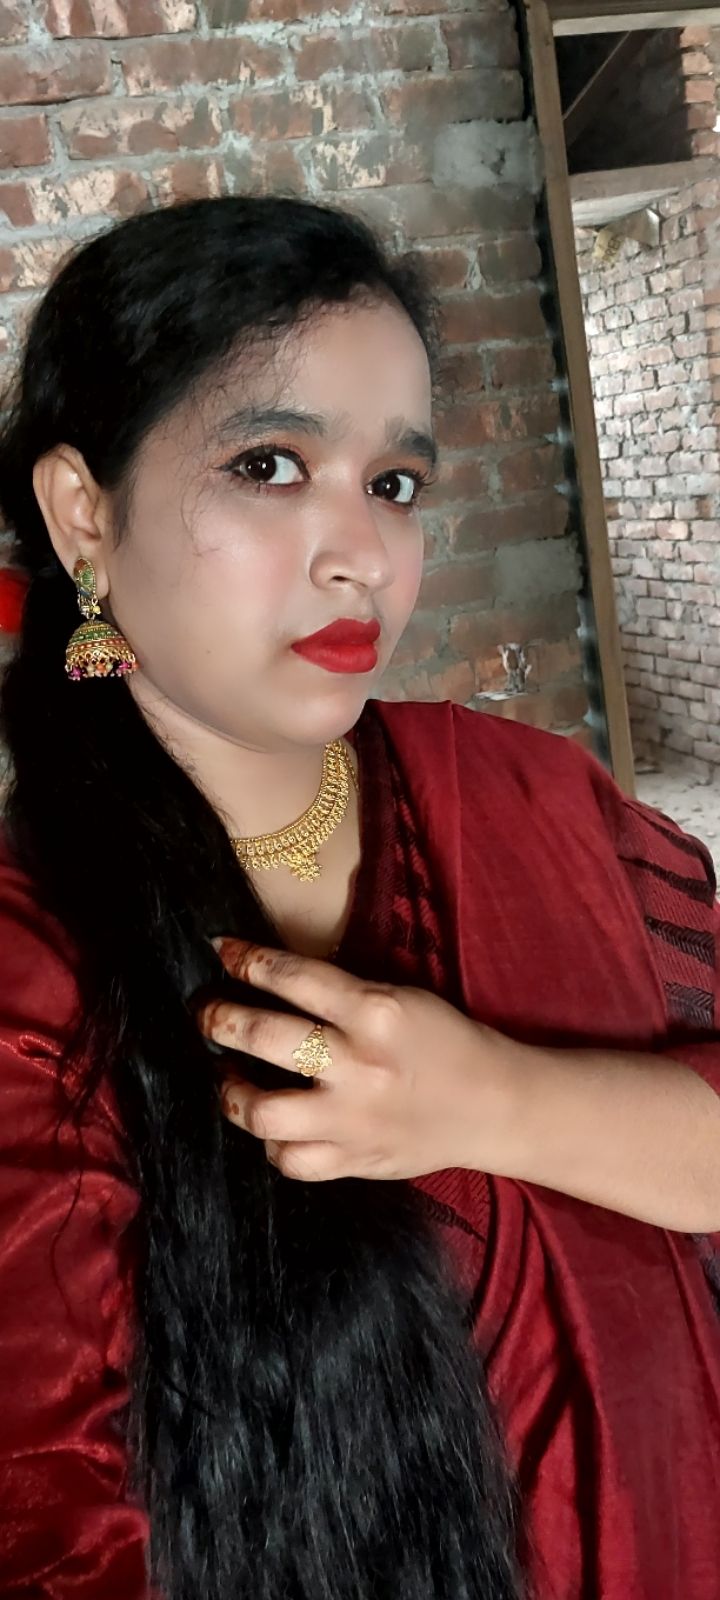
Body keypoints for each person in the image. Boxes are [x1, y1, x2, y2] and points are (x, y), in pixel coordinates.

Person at [0, 195, 718, 1600]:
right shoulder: (31, 976)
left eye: (393, 484)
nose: (363, 556)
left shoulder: (533, 799)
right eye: (271, 466)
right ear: (86, 513)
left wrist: (492, 1101)